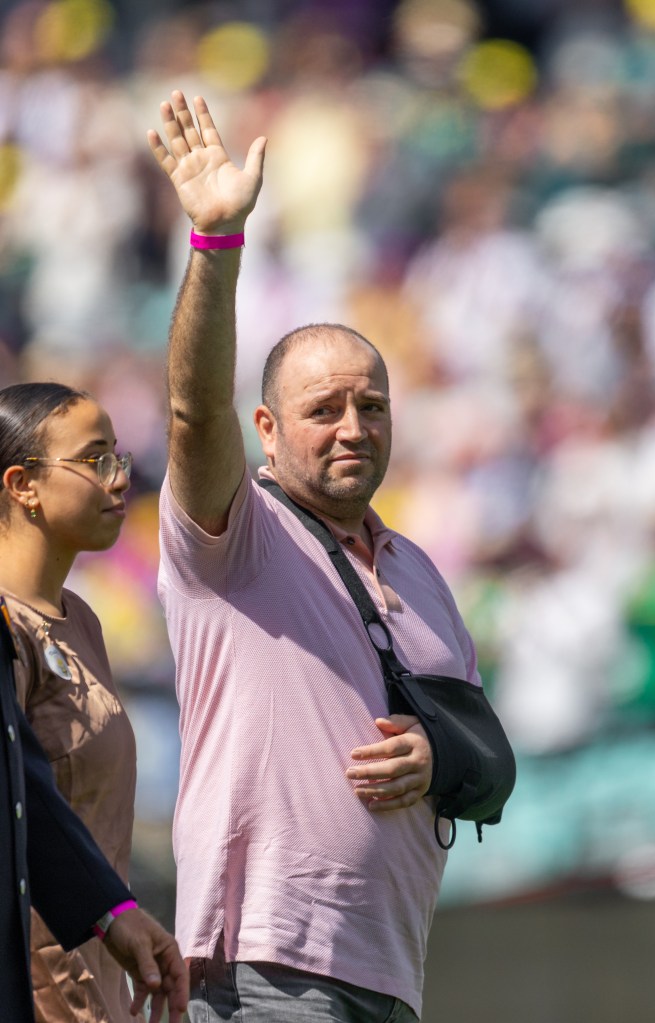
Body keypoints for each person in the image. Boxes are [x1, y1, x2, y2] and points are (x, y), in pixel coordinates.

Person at [148, 91, 482, 1022]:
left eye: (370, 406)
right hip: (264, 966)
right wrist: (217, 244)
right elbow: (190, 410)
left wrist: (434, 755)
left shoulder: (418, 570)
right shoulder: (236, 530)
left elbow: (484, 748)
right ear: (266, 429)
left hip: (390, 970)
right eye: (323, 408)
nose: (352, 427)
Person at [0, 381, 147, 1022]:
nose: (118, 479)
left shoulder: (81, 620)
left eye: (118, 457)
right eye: (94, 460)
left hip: (103, 974)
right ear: (22, 484)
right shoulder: (6, 627)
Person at [0, 602, 188, 1023]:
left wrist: (114, 913)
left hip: (106, 959)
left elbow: (29, 789)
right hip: (49, 978)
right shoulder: (12, 621)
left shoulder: (82, 619)